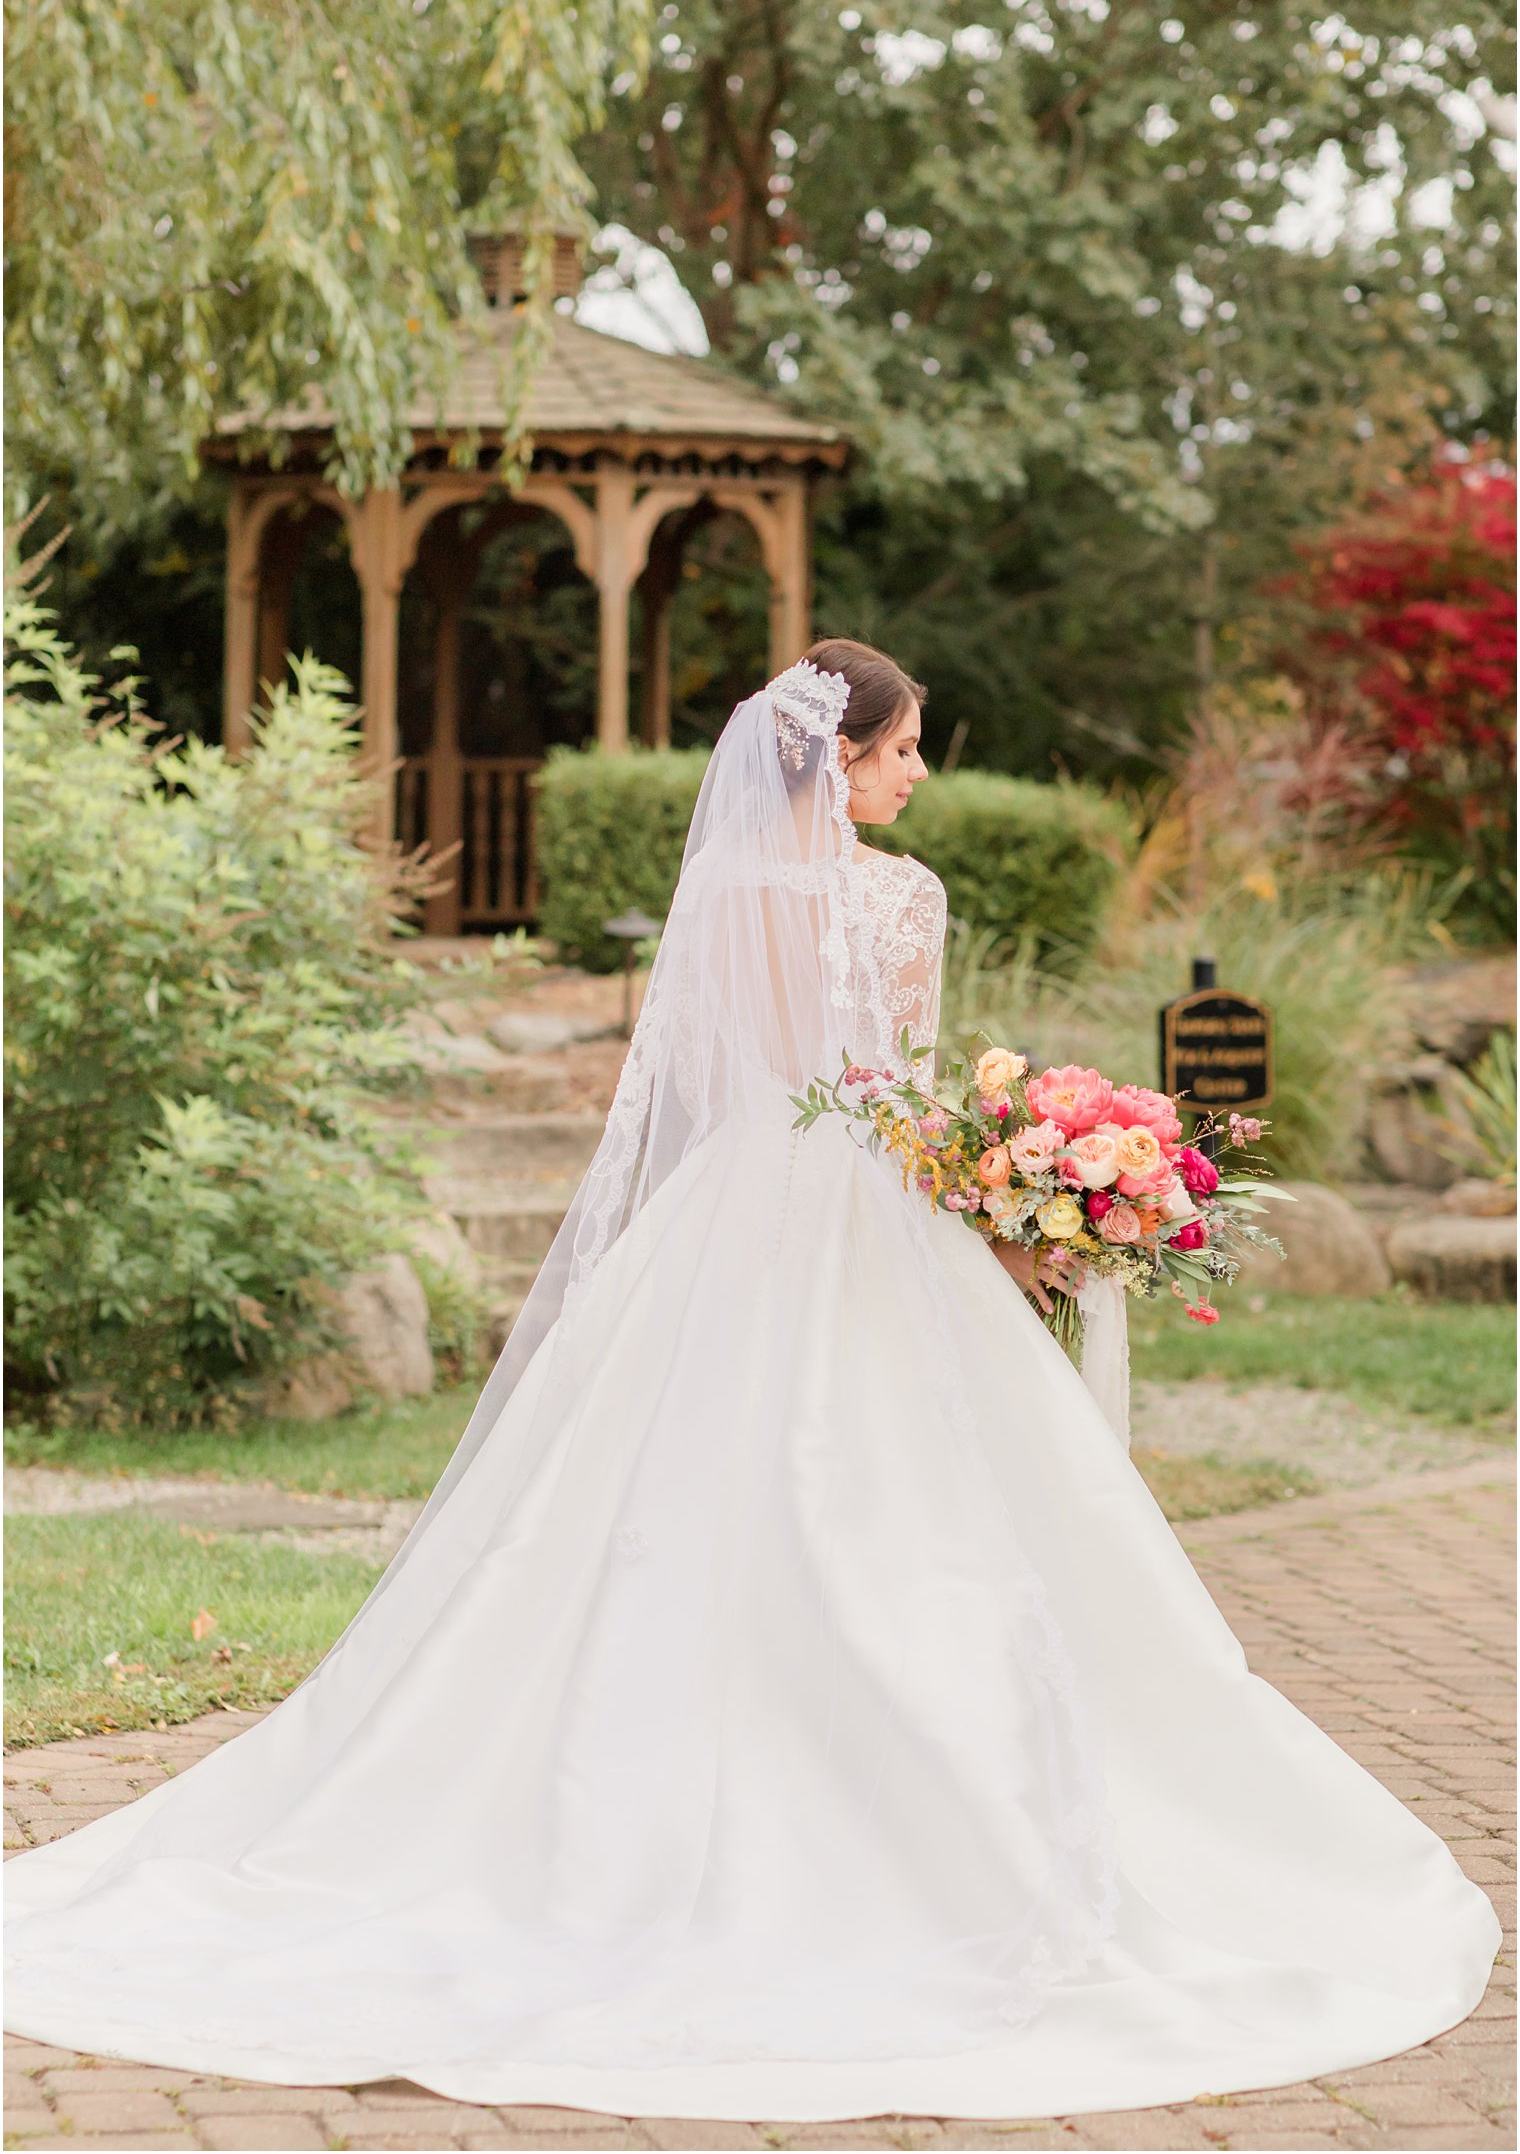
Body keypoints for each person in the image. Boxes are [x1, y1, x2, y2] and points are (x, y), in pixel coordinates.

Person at [4, 640, 1499, 2124]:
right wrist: (1004, 1213)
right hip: (869, 1217)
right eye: (906, 748)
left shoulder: (719, 892)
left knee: (647, 1497)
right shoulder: (903, 897)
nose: (920, 773)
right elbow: (902, 1097)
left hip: (722, 1215)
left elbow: (709, 1086)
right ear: (840, 760)